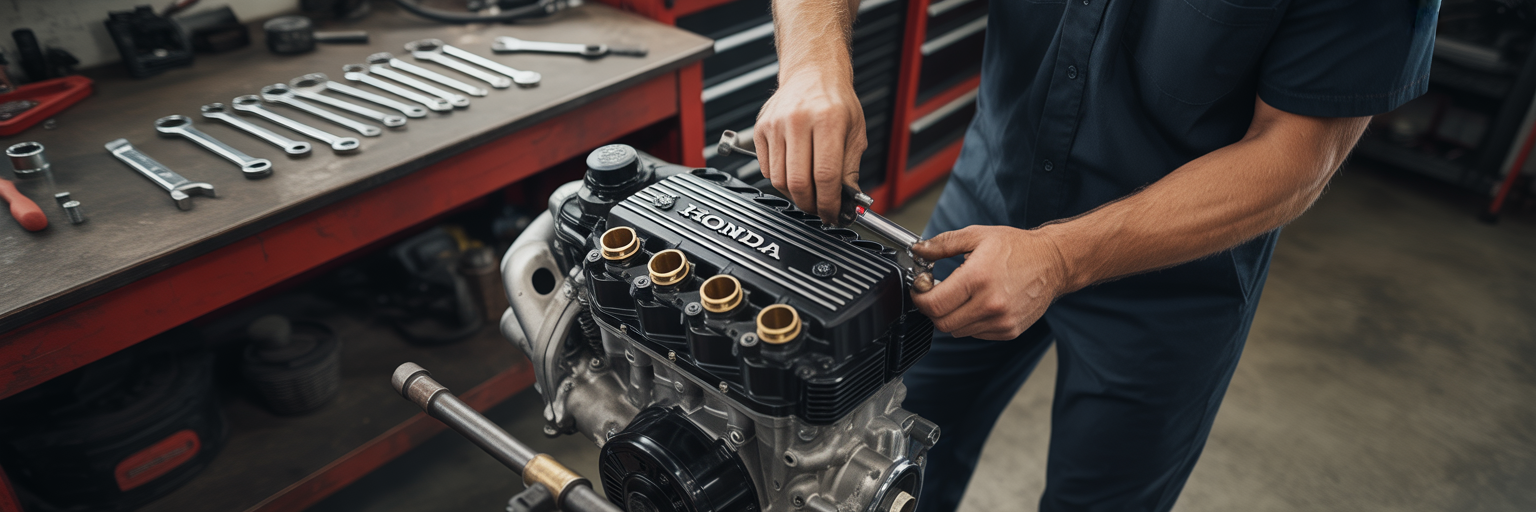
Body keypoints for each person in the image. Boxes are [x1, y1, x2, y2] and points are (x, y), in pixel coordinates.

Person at [753, 0, 1438, 510]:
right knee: (888, 453)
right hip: (987, 205)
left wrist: (1061, 256)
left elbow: (1298, 152)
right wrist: (812, 68)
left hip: (1177, 269)